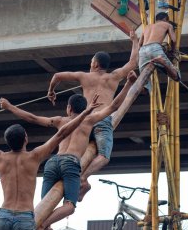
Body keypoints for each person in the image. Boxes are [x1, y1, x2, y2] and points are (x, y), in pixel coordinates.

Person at [1, 71, 137, 230]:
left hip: (52, 163)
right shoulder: (89, 119)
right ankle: (43, 224)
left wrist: (9, 107)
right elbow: (114, 106)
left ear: (69, 108)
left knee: (46, 208)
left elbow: (32, 118)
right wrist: (129, 84)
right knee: (70, 206)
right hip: (70, 163)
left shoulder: (60, 121)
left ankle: (44, 226)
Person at [0, 97, 100, 230]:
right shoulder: (34, 156)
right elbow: (62, 133)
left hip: (2, 216)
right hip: (24, 218)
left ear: (6, 141)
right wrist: (85, 113)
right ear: (26, 138)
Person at [47, 30, 139, 201]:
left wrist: (51, 91)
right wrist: (134, 40)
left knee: (73, 147)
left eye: (91, 62)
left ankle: (74, 181)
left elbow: (57, 76)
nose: (90, 65)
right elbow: (133, 62)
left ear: (95, 64)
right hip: (102, 119)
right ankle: (83, 177)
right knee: (104, 156)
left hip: (85, 120)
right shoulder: (114, 77)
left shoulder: (84, 77)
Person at [138, 11, 180, 92]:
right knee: (177, 76)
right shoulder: (167, 25)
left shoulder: (147, 27)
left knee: (143, 82)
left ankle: (144, 88)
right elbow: (174, 40)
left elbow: (139, 44)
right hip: (155, 48)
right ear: (165, 19)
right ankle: (162, 62)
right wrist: (173, 50)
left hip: (142, 51)